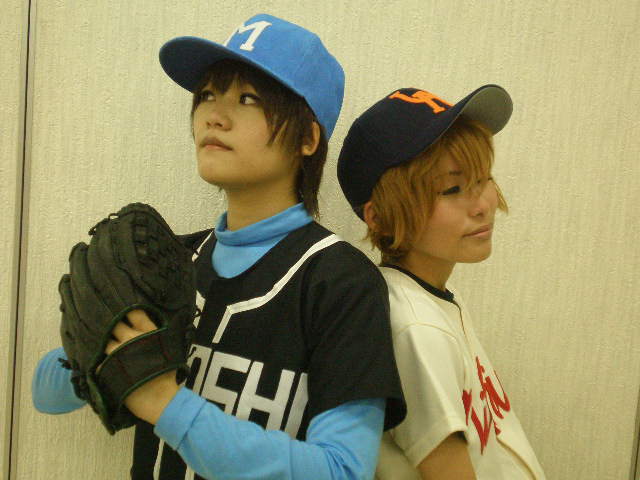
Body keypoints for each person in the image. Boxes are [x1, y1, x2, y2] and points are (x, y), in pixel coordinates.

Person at [32, 14, 406, 480]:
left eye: (248, 98)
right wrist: (106, 343)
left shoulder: (341, 282)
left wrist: (163, 401)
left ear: (308, 138)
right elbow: (45, 392)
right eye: (207, 94)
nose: (214, 115)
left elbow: (343, 470)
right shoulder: (166, 263)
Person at [337, 86, 546, 479]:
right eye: (452, 189)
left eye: (483, 178)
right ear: (379, 217)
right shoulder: (416, 326)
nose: (482, 204)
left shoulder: (428, 299)